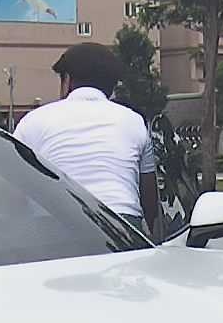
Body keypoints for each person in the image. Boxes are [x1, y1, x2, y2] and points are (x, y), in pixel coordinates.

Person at [12, 42, 160, 234]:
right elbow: (149, 194)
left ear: (67, 80)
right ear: (111, 86)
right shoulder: (134, 121)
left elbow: (14, 189)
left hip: (53, 222)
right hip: (122, 222)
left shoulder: (33, 121)